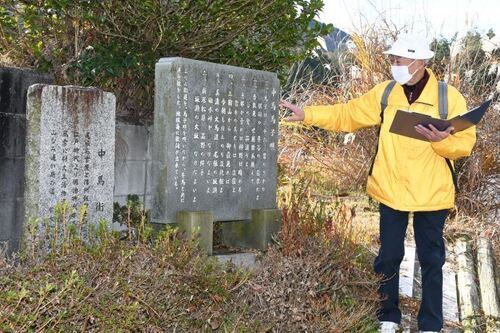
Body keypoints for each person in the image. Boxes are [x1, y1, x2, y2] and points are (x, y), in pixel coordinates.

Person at [280, 34, 476, 333]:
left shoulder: (449, 98)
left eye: (399, 60)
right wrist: (308, 114)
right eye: (393, 59)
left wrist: (443, 142)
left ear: (420, 62)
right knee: (388, 255)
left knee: (432, 260)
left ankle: (431, 324)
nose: (393, 64)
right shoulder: (385, 93)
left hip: (432, 192)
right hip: (391, 188)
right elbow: (347, 114)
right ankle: (387, 315)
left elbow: (465, 144)